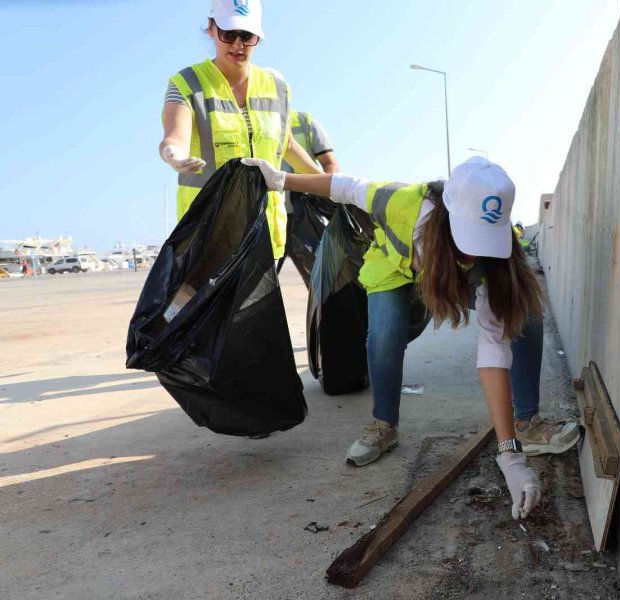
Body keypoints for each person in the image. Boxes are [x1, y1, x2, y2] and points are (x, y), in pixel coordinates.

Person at [243, 155, 580, 520]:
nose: (475, 250)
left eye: (485, 239)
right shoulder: (398, 202)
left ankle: (525, 426)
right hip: (393, 270)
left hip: (445, 275)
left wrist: (509, 454)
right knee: (384, 335)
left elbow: (493, 351)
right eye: (469, 236)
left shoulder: (494, 255)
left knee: (524, 312)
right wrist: (282, 180)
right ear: (447, 214)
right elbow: (342, 186)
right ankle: (384, 426)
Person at [158, 0, 322, 261]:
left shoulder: (277, 86)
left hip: (264, 234)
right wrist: (173, 155)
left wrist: (331, 186)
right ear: (211, 29)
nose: (237, 44)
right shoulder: (187, 83)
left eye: (246, 36)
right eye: (228, 33)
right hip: (208, 238)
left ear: (258, 36)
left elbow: (287, 145)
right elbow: (174, 138)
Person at [276, 110, 340, 278]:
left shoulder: (305, 122)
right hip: (271, 215)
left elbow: (330, 164)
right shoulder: (254, 120)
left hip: (306, 218)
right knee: (255, 286)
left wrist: (318, 192)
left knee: (319, 280)